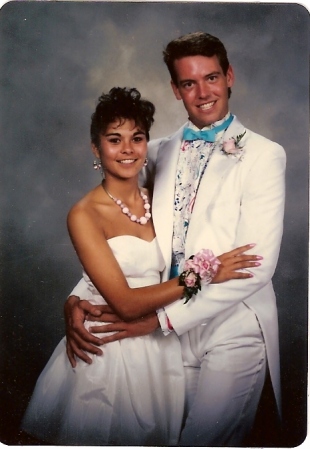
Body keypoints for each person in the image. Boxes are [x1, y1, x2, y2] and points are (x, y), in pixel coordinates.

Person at [64, 32, 286, 446]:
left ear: (230, 76)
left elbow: (256, 269)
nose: (202, 93)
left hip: (233, 322)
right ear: (175, 89)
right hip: (167, 335)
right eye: (189, 83)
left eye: (212, 78)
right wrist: (75, 300)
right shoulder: (158, 152)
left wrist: (160, 320)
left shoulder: (263, 154)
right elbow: (125, 241)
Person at [21, 86, 259, 446]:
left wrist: (71, 301)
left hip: (161, 345)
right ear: (96, 148)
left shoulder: (161, 198)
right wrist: (206, 273)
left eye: (137, 138)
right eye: (114, 139)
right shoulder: (84, 214)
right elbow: (126, 303)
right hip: (109, 350)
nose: (128, 149)